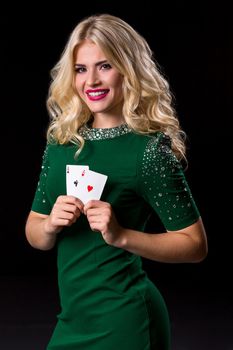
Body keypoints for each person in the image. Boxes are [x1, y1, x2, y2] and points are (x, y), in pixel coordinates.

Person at [25, 13, 208, 350]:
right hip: (72, 320)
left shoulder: (149, 151)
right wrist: (50, 224)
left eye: (105, 66)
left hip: (126, 321)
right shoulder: (61, 143)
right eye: (81, 69)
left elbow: (195, 245)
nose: (91, 80)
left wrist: (123, 236)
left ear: (129, 69)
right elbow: (35, 231)